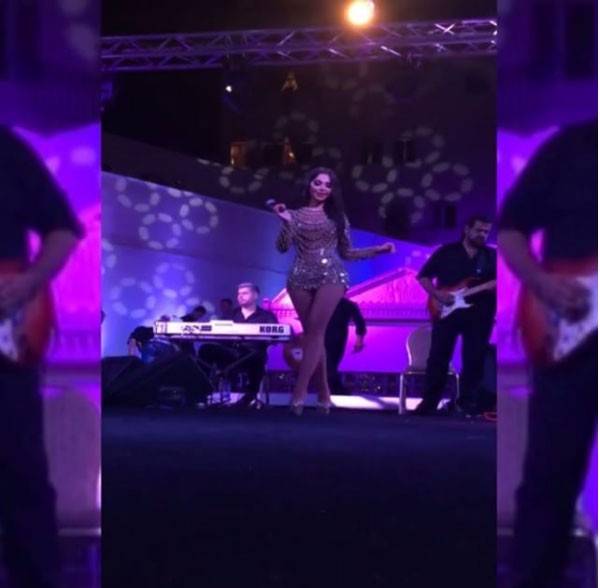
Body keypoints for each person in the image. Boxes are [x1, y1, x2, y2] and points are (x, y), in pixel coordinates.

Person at [498, 120, 597, 588]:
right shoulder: (574, 145)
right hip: (568, 328)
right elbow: (511, 228)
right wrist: (541, 283)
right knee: (550, 472)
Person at [0, 127, 83, 588]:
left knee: (21, 472)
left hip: (7, 339)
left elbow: (63, 228)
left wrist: (29, 283)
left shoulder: (6, 150)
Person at [273, 166, 395, 415]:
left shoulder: (337, 218)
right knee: (313, 336)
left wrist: (378, 250)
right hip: (299, 277)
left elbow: (347, 252)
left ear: (332, 190)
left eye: (328, 185)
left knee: (316, 332)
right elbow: (282, 247)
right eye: (318, 183)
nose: (322, 188)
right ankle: (324, 393)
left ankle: (299, 393)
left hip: (332, 275)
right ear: (309, 185)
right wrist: (286, 223)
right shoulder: (293, 215)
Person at [414, 215, 497, 416]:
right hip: (446, 311)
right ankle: (429, 403)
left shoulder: (491, 256)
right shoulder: (446, 252)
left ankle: (467, 404)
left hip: (480, 313)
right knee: (438, 356)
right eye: (479, 230)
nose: (482, 235)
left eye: (486, 232)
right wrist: (437, 294)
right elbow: (423, 276)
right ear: (467, 230)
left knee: (474, 358)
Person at [198, 283, 278, 408]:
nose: (240, 296)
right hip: (231, 352)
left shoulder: (267, 316)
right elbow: (219, 334)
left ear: (255, 295)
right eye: (239, 294)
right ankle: (201, 392)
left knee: (258, 356)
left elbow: (275, 338)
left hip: (252, 354)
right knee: (206, 349)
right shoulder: (231, 315)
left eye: (245, 293)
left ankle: (250, 396)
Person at [325, 297, 367, 394]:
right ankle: (335, 388)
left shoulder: (347, 305)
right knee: (330, 364)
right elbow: (360, 323)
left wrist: (359, 340)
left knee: (331, 364)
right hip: (332, 337)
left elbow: (360, 323)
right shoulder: (324, 303)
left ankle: (335, 389)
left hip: (336, 337)